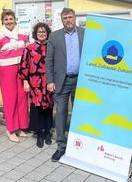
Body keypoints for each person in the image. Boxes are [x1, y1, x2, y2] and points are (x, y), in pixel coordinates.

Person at [45, 8, 85, 162]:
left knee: (79, 114)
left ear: (75, 18)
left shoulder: (84, 34)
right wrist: (50, 81)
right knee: (61, 114)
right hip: (61, 81)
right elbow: (49, 61)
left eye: (70, 17)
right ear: (61, 20)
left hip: (80, 81)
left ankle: (79, 147)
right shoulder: (54, 36)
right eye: (65, 18)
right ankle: (61, 146)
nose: (68, 20)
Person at [0, 9, 29, 143]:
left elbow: (26, 50)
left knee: (22, 97)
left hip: (21, 68)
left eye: (11, 18)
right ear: (2, 21)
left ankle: (20, 126)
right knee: (10, 99)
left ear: (15, 19)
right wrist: (4, 63)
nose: (9, 21)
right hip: (6, 69)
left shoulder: (23, 33)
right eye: (6, 19)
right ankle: (11, 129)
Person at [18, 22, 54, 148]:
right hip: (34, 83)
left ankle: (47, 132)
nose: (42, 34)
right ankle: (39, 133)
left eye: (44, 32)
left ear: (47, 33)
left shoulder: (52, 47)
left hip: (48, 82)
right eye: (39, 32)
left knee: (48, 106)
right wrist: (25, 81)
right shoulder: (29, 48)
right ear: (35, 34)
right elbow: (24, 65)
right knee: (37, 107)